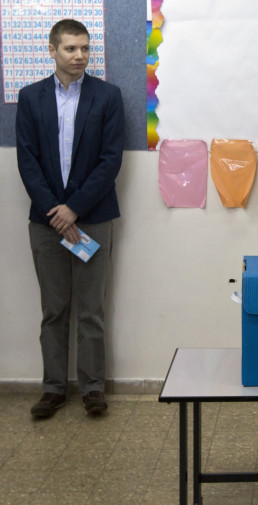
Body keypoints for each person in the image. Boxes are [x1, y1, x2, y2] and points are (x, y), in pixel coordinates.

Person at [16, 19, 124, 418]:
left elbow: (110, 160)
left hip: (92, 219)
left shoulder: (107, 96)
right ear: (52, 50)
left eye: (84, 49)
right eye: (70, 49)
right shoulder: (31, 98)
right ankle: (53, 389)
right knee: (54, 310)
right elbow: (27, 161)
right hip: (46, 223)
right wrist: (56, 213)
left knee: (91, 309)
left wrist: (74, 208)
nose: (79, 56)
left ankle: (93, 389)